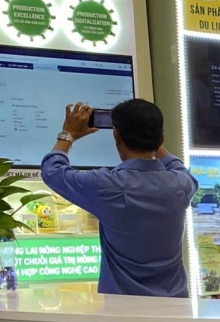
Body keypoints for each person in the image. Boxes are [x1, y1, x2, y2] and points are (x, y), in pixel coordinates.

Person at [41, 100, 197, 297]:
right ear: (161, 140)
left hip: (123, 307)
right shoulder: (182, 184)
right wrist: (152, 141)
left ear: (116, 135)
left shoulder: (106, 185)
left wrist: (68, 134)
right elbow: (177, 166)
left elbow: (52, 171)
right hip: (176, 306)